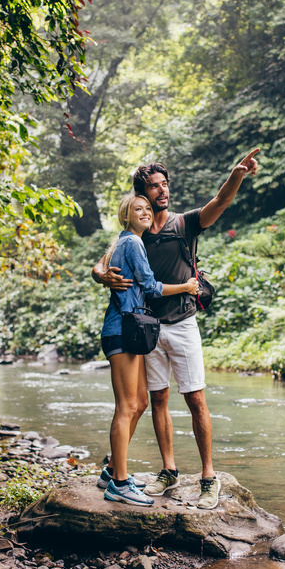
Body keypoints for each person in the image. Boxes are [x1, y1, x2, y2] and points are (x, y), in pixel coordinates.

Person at [92, 149, 260, 509]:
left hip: (183, 323)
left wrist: (237, 175)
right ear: (142, 195)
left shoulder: (184, 223)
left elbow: (220, 201)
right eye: (154, 187)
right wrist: (102, 275)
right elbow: (101, 264)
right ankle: (167, 471)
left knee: (196, 398)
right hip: (145, 328)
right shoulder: (135, 230)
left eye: (165, 184)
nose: (162, 191)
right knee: (157, 400)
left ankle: (208, 477)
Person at [99, 193, 199, 507]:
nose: (144, 212)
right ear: (125, 217)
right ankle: (118, 483)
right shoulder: (132, 243)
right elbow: (151, 285)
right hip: (122, 329)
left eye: (146, 208)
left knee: (141, 401)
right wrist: (187, 286)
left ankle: (114, 469)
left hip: (128, 329)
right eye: (136, 209)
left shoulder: (122, 242)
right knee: (127, 406)